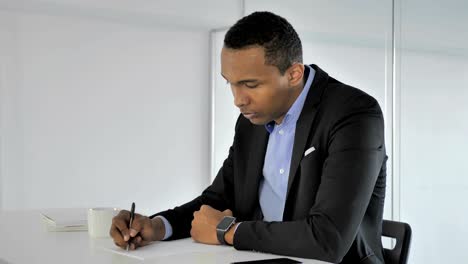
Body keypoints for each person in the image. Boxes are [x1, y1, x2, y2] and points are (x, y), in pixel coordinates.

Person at [110, 11, 387, 264]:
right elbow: (218, 199)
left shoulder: (354, 114)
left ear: (293, 74)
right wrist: (158, 226)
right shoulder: (253, 118)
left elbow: (329, 239)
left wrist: (227, 231)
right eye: (230, 83)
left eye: (250, 85)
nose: (238, 100)